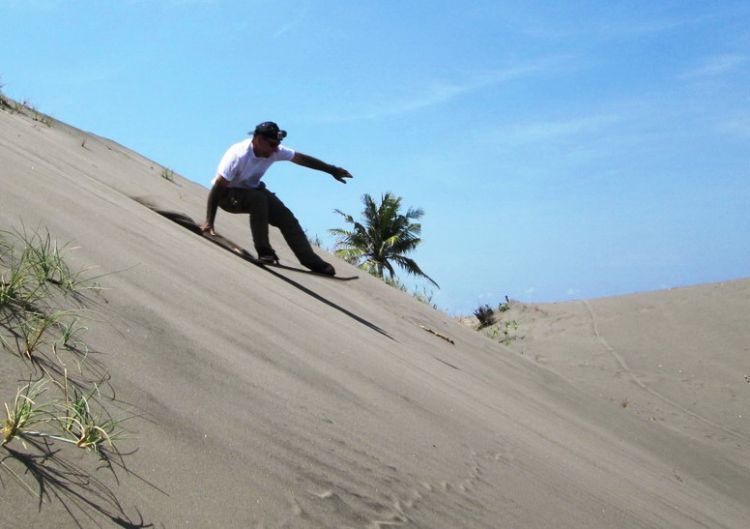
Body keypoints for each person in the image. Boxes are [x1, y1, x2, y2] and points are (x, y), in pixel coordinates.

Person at [201, 121, 352, 275]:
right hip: (226, 196)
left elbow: (302, 159)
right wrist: (209, 223)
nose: (275, 150)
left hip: (252, 191)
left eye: (277, 145)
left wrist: (332, 170)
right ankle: (265, 251)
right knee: (258, 198)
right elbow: (217, 188)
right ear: (259, 139)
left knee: (287, 218)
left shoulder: (274, 151)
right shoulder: (238, 155)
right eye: (272, 144)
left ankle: (311, 261)